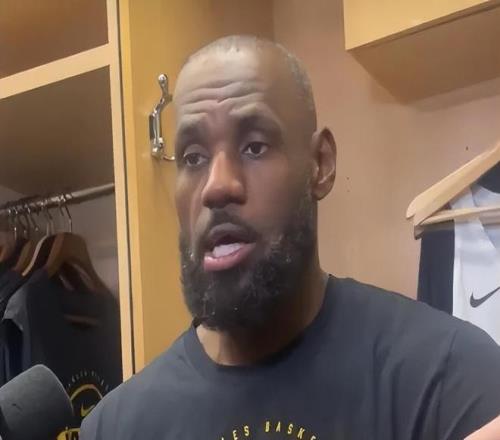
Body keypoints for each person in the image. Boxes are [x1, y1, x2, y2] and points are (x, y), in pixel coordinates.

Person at [80, 35, 500, 440]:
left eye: (254, 147)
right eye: (193, 158)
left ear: (320, 164)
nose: (217, 186)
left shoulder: (450, 382)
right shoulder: (116, 428)